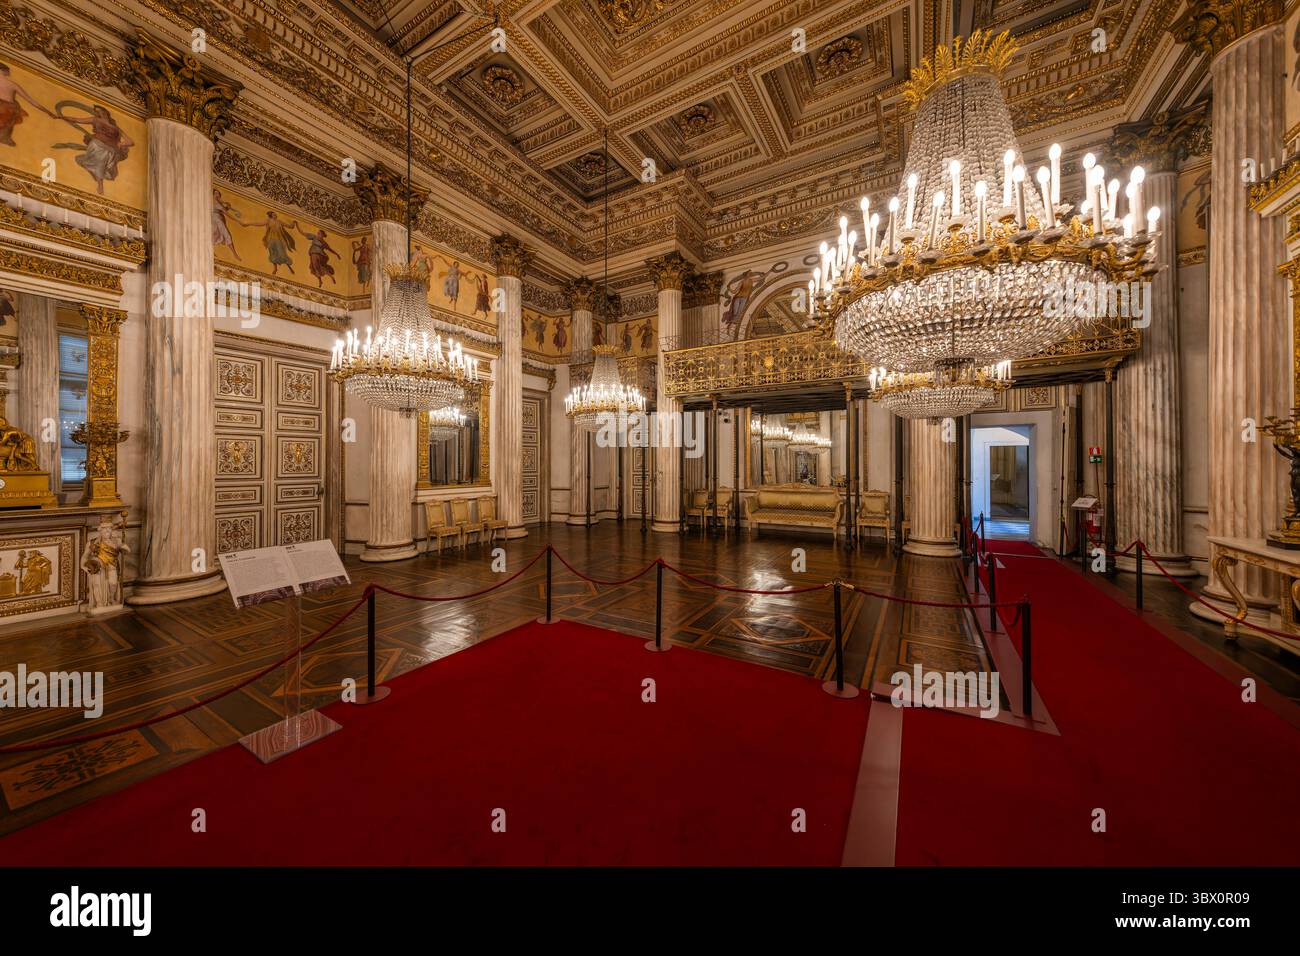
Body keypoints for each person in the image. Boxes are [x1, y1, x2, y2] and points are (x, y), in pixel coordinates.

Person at [54, 102, 133, 194]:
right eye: (98, 113)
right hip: (97, 144)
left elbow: (130, 142)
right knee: (100, 161)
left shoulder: (115, 127)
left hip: (111, 149)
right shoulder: (95, 120)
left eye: (102, 112)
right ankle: (100, 185)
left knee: (103, 165)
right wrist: (61, 117)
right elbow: (77, 120)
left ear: (107, 113)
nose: (101, 114)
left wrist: (121, 144)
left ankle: (95, 175)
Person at [81, 513, 130, 613]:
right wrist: (83, 567)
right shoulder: (93, 542)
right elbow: (85, 556)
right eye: (104, 529)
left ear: (112, 530)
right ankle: (99, 603)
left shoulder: (117, 541)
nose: (107, 531)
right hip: (98, 568)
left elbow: (127, 550)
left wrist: (124, 547)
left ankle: (111, 599)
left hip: (112, 566)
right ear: (100, 530)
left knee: (113, 583)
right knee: (97, 585)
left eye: (109, 528)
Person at [0, 63, 51, 146]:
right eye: (7, 71)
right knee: (12, 114)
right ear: (3, 71)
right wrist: (48, 112)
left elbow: (30, 100)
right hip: (8, 109)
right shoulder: (12, 84)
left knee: (10, 116)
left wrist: (47, 112)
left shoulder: (12, 85)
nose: (8, 73)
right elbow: (30, 100)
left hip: (8, 109)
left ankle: (5, 137)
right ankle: (5, 137)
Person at [239, 210, 298, 275]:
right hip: (271, 239)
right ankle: (275, 268)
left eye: (276, 214)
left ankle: (289, 266)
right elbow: (258, 223)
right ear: (271, 216)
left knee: (282, 253)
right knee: (273, 253)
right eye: (274, 215)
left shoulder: (279, 222)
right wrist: (248, 224)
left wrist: (293, 223)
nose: (275, 215)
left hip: (279, 239)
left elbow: (290, 226)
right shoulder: (268, 221)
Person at [212, 189, 241, 260]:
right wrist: (238, 221)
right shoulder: (215, 202)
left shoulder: (218, 203)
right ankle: (235, 254)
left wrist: (230, 208)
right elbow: (227, 214)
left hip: (218, 219)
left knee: (218, 234)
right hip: (216, 219)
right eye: (216, 193)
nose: (217, 195)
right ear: (213, 194)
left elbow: (224, 210)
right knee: (225, 234)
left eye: (218, 194)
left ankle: (234, 254)